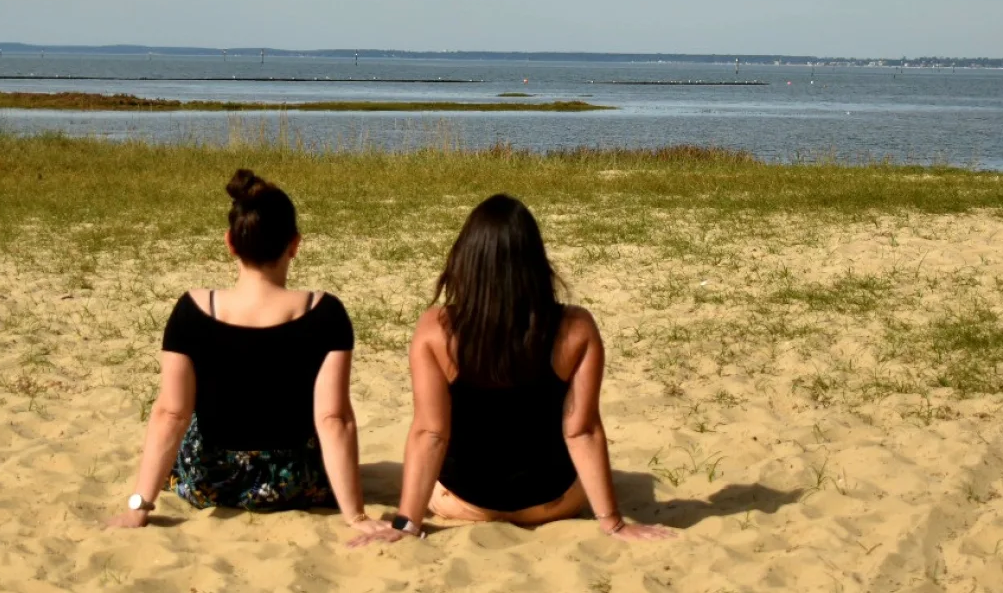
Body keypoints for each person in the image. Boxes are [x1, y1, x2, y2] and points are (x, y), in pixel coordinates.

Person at [354, 194, 675, 545]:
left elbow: (431, 433)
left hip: (462, 503)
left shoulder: (436, 330)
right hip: (553, 503)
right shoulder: (575, 328)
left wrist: (407, 524)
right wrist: (613, 523)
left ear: (465, 260)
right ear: (536, 261)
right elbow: (581, 431)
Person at [108, 169, 374, 534]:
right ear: (294, 244)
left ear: (230, 243)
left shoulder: (191, 310)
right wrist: (355, 516)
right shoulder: (325, 313)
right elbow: (334, 419)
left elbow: (172, 412)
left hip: (210, 480)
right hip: (294, 482)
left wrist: (140, 505)